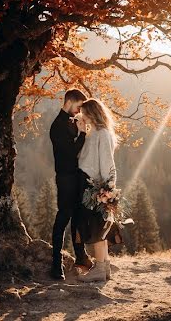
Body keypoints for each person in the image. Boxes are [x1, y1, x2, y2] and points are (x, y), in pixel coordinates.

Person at [75, 98, 120, 282]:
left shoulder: (102, 133)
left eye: (84, 113)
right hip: (92, 183)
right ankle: (105, 266)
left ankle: (100, 269)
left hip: (95, 185)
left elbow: (107, 162)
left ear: (92, 113)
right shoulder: (94, 132)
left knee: (97, 226)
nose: (82, 116)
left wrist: (107, 189)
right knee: (97, 225)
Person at [48, 89, 92, 280]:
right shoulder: (57, 125)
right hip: (65, 178)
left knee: (78, 217)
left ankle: (81, 258)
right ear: (70, 102)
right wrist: (82, 134)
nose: (79, 110)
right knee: (63, 216)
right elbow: (71, 152)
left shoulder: (72, 121)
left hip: (77, 176)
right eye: (78, 106)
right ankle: (56, 264)